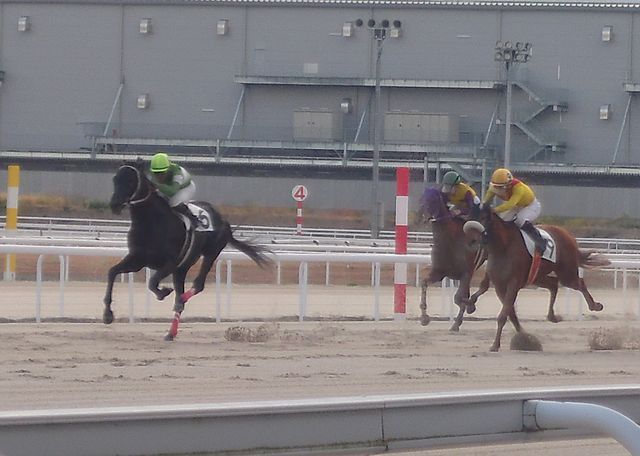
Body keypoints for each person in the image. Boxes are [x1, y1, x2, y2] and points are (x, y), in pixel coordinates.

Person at [482, 167, 546, 254]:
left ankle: (540, 240)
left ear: (509, 184)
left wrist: (494, 210)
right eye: (495, 186)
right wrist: (483, 206)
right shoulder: (494, 186)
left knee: (520, 220)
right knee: (503, 219)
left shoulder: (518, 188)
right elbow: (486, 199)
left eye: (500, 187)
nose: (497, 189)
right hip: (517, 205)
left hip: (531, 206)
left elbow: (510, 204)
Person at [149, 152, 200, 227]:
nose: (159, 176)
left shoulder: (177, 172)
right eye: (156, 173)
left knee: (173, 203)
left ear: (168, 169)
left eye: (162, 173)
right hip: (169, 187)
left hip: (185, 188)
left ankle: (193, 219)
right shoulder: (153, 173)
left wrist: (157, 185)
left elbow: (172, 192)